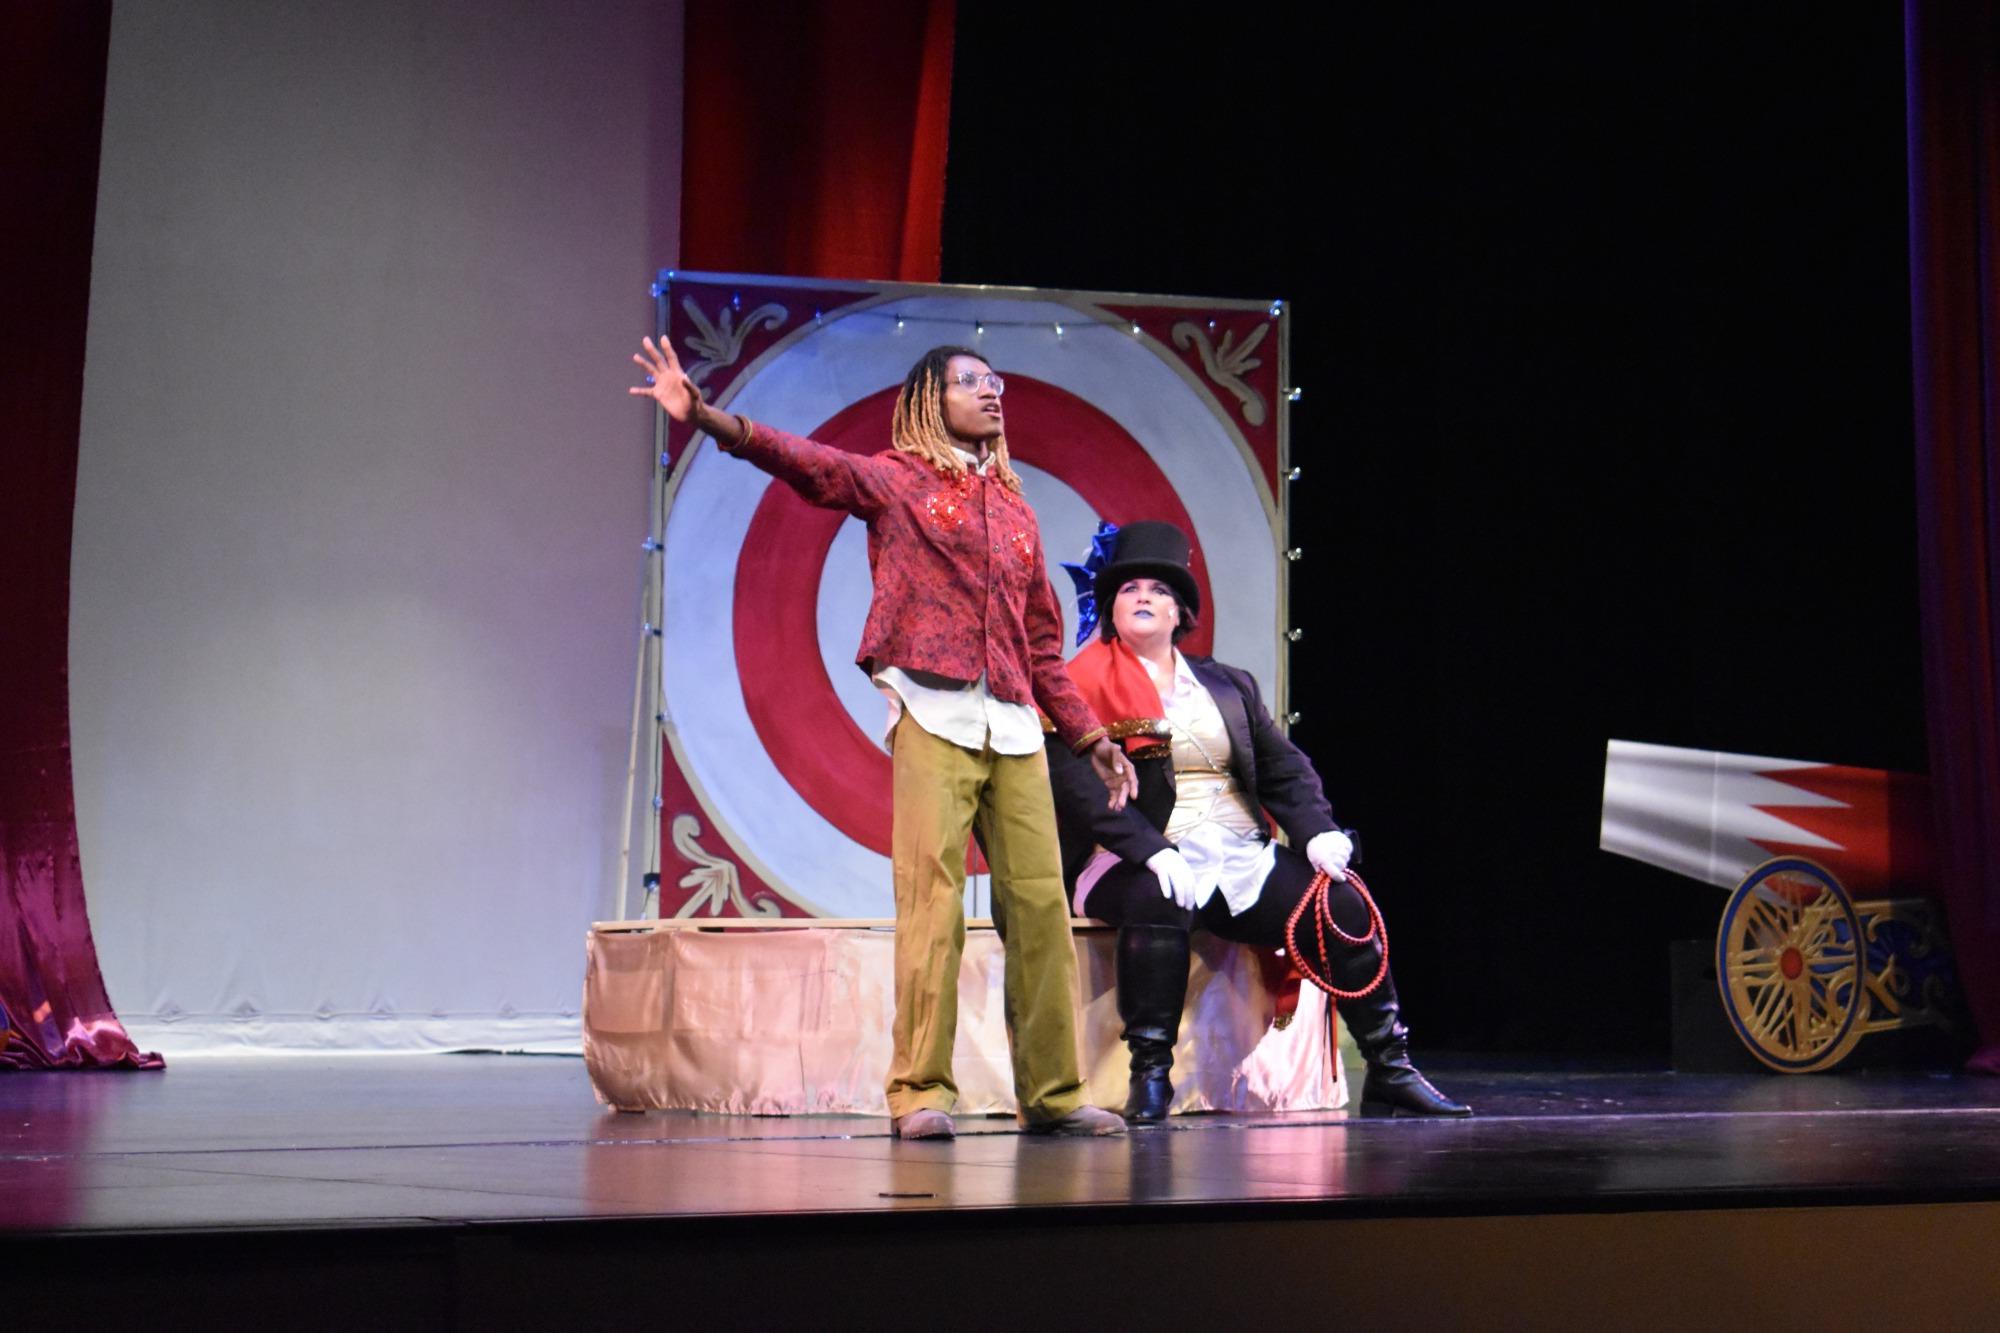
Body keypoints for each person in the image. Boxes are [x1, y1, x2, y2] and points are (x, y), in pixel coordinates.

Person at [630, 336, 1135, 1139]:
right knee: (930, 900)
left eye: (995, 381)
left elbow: (1042, 644)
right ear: (932, 401)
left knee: (1039, 905)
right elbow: (810, 464)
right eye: (971, 382)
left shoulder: (1016, 511)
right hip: (932, 709)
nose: (992, 392)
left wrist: (1087, 735)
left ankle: (1054, 1092)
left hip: (1013, 724)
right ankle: (920, 1090)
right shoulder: (897, 479)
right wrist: (711, 420)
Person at [1045, 521, 1470, 1121]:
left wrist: (1318, 830)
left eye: (1159, 590)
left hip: (1238, 854)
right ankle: (1150, 1076)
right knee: (1157, 896)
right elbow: (1077, 789)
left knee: (1343, 904)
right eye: (1129, 588)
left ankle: (1390, 1067)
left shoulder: (1226, 685)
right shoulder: (1076, 689)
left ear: (1179, 612)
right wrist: (1148, 847)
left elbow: (1282, 768)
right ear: (1110, 608)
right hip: (1128, 854)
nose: (1143, 597)